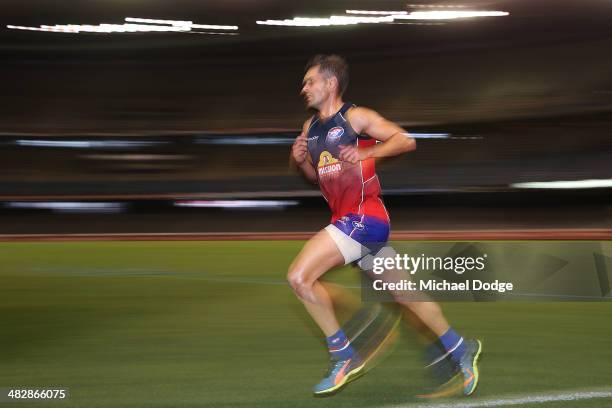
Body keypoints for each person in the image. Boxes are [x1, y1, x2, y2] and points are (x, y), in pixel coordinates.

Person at [287, 54, 482, 397]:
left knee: (299, 278)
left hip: (364, 218)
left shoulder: (356, 117)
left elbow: (406, 140)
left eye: (310, 81)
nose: (304, 88)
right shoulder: (310, 129)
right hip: (351, 224)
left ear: (330, 84)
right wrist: (300, 160)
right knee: (407, 296)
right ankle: (460, 347)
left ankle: (342, 355)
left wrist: (366, 154)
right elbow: (317, 177)